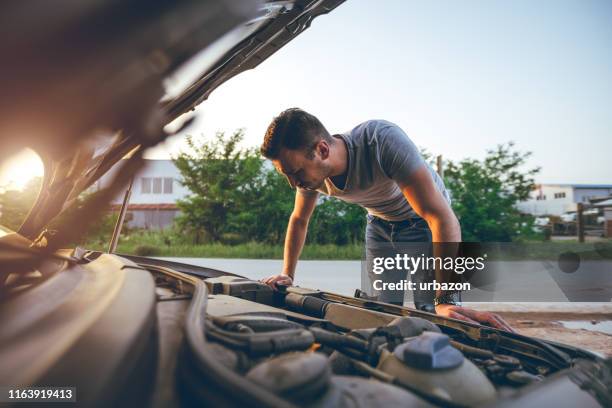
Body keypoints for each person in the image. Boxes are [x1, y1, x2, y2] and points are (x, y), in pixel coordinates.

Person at [260, 108, 513, 331]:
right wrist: (287, 274)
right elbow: (299, 220)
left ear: (322, 150)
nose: (293, 183)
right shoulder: (309, 176)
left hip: (423, 222)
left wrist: (445, 298)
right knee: (381, 310)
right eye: (287, 175)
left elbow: (441, 218)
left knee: (434, 310)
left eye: (295, 172)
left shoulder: (381, 141)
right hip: (379, 225)